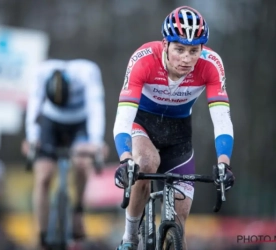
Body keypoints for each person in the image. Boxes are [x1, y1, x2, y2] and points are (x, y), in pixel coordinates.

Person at [113, 5, 235, 250]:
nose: (187, 58)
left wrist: (224, 163)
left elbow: (221, 118)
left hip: (179, 135)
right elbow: (123, 118)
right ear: (165, 44)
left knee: (179, 225)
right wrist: (126, 159)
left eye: (194, 50)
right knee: (146, 163)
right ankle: (129, 238)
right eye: (179, 49)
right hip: (143, 125)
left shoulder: (211, 64)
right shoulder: (143, 59)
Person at [24, 59, 106, 249]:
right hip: (50, 122)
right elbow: (34, 104)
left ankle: (78, 210)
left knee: (82, 163)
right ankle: (42, 234)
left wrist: (96, 142)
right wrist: (32, 137)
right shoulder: (41, 72)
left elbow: (96, 108)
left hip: (80, 122)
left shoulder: (87, 73)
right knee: (43, 175)